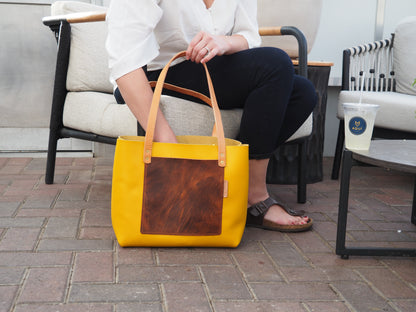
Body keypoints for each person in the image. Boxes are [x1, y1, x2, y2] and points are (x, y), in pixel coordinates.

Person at [106, 0, 316, 232]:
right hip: (153, 74)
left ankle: (232, 186)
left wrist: (222, 42)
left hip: (208, 65)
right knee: (275, 63)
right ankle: (253, 198)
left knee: (303, 93)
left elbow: (249, 36)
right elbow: (125, 59)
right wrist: (170, 147)